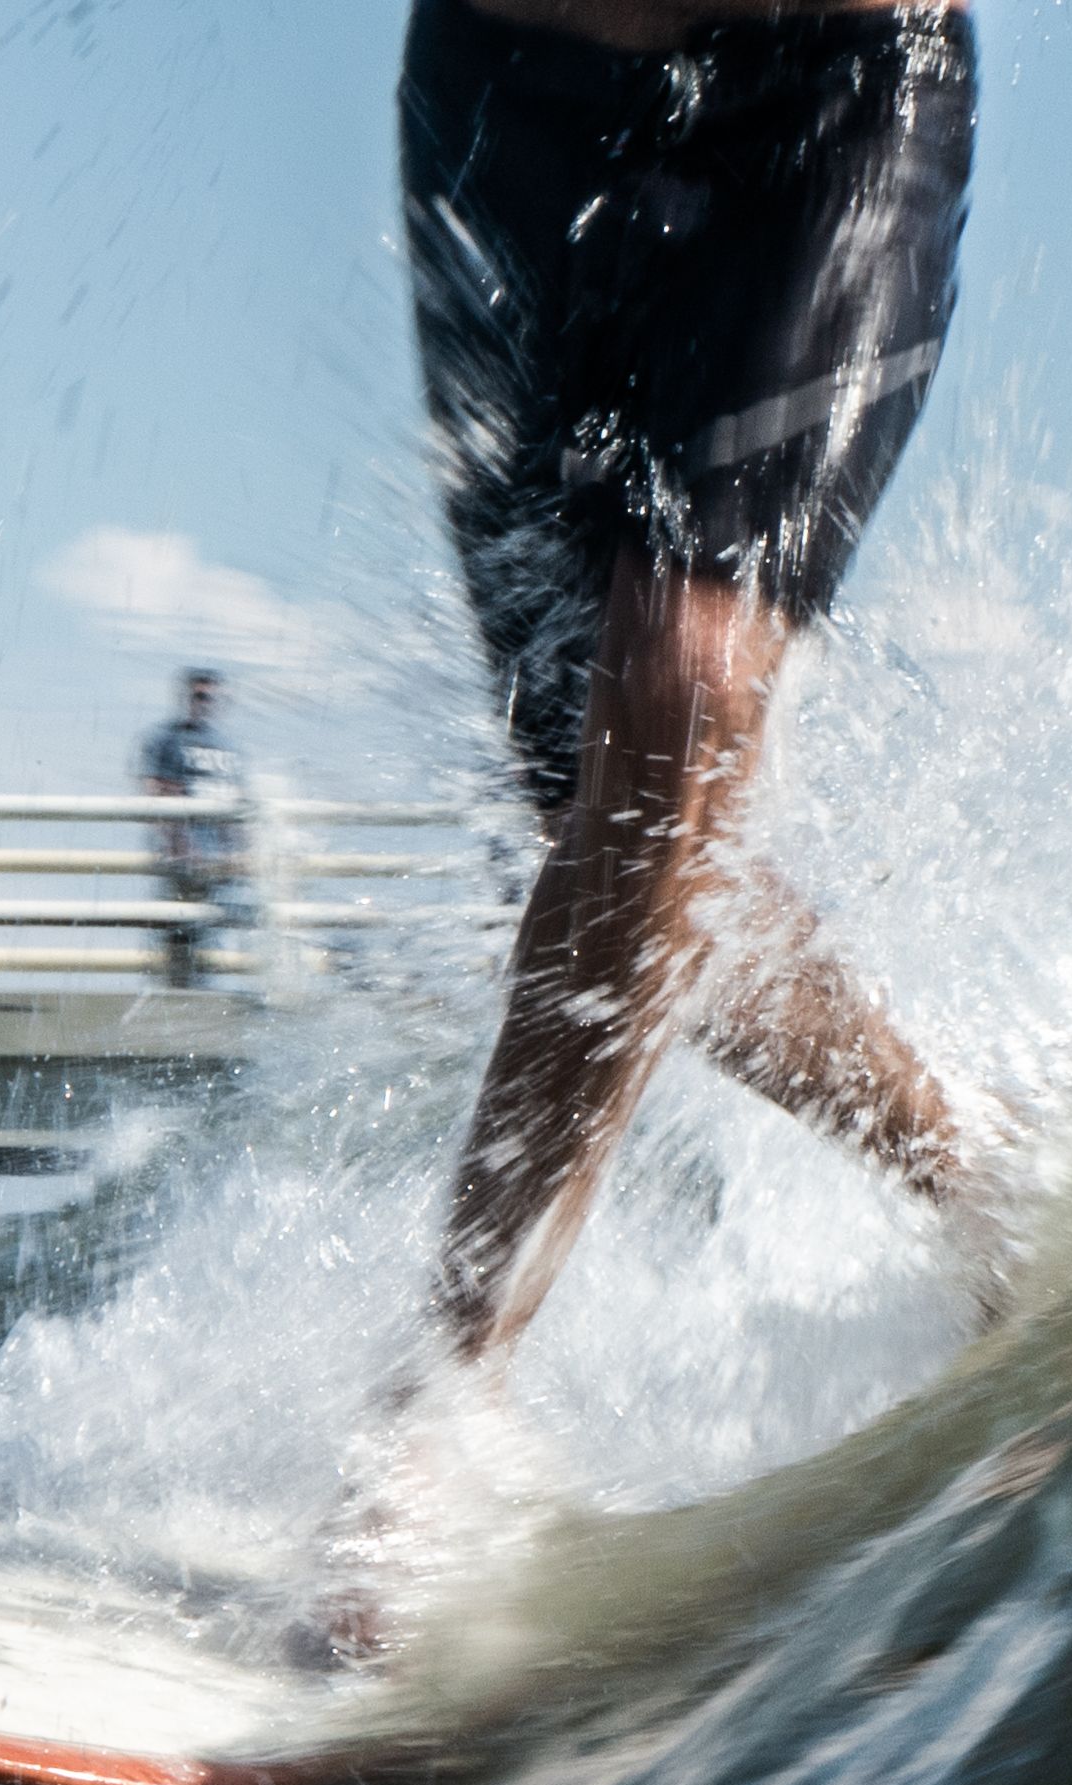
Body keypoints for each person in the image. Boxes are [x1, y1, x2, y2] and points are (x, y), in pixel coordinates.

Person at [399, 0, 997, 1381]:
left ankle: (433, 1408)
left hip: (832, 98)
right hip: (510, 106)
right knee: (623, 854)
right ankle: (968, 1156)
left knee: (681, 688)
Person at [136, 669, 245, 986]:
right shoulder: (167, 739)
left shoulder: (227, 746)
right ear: (186, 698)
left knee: (218, 936)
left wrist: (240, 852)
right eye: (199, 695)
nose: (206, 702)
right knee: (182, 934)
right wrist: (181, 847)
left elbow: (236, 804)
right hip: (187, 860)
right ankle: (179, 995)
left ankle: (207, 995)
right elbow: (158, 793)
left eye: (212, 696)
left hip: (222, 862)